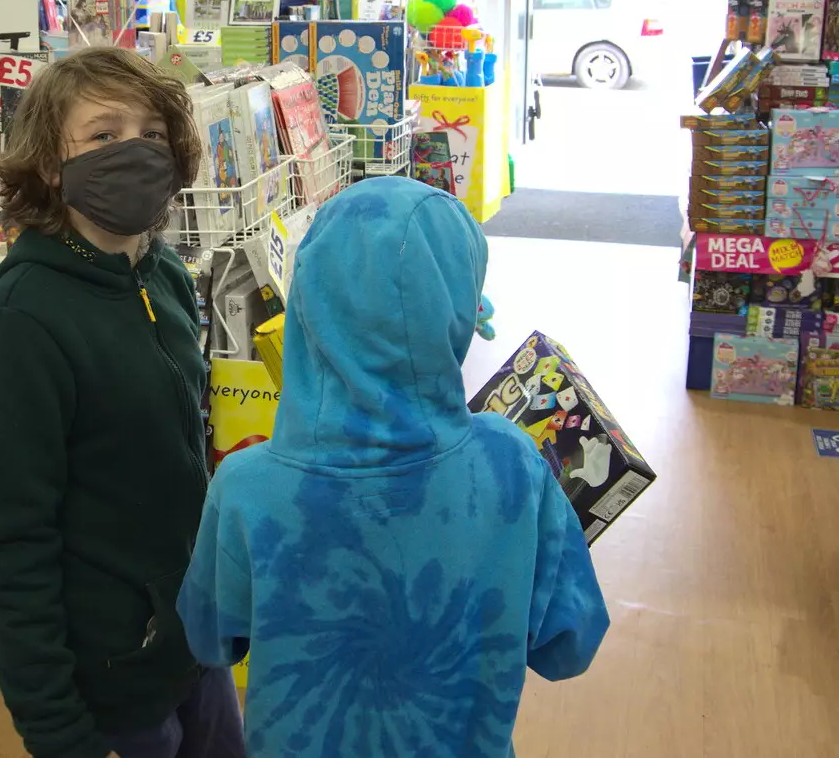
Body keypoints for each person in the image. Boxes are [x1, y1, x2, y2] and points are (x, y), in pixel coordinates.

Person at [176, 177, 608, 758]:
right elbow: (569, 646)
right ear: (458, 310)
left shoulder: (247, 486)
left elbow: (209, 636)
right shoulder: (511, 465)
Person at [0, 48, 245, 758]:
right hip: (112, 676)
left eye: (153, 134)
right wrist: (57, 730)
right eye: (103, 134)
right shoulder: (25, 321)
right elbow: (12, 543)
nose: (136, 151)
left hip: (192, 639)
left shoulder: (164, 275)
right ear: (51, 166)